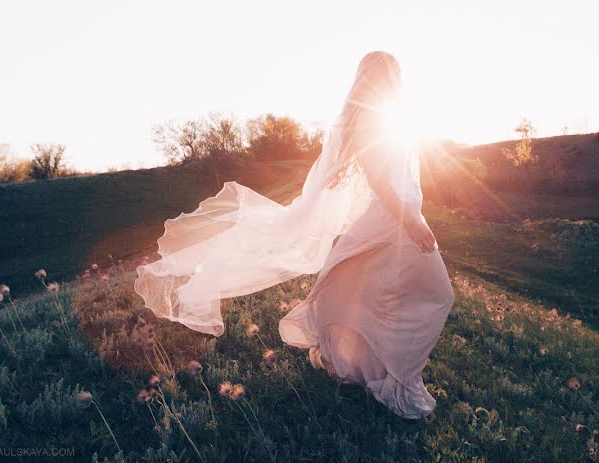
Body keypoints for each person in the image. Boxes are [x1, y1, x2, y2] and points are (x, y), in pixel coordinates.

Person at [134, 51, 455, 419]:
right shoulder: (370, 117)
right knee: (433, 294)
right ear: (377, 77)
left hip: (401, 219)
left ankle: (363, 370)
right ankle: (392, 380)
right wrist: (409, 220)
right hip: (392, 221)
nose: (399, 78)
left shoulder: (389, 115)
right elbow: (378, 175)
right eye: (393, 72)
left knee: (372, 294)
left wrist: (415, 217)